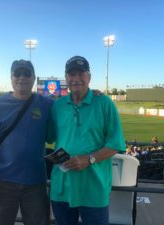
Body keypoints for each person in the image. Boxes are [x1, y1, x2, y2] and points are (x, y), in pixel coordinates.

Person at [47, 56, 126, 225]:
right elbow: (49, 136)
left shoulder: (104, 103)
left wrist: (89, 159)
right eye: (71, 74)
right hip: (62, 187)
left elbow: (116, 144)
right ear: (66, 78)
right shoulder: (57, 106)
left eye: (81, 74)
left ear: (89, 77)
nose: (76, 79)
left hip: (93, 190)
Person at [0, 60, 53, 225]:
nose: (22, 77)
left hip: (36, 184)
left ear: (33, 78)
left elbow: (72, 105)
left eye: (26, 73)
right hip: (2, 183)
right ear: (11, 77)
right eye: (17, 73)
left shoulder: (47, 104)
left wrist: (93, 94)